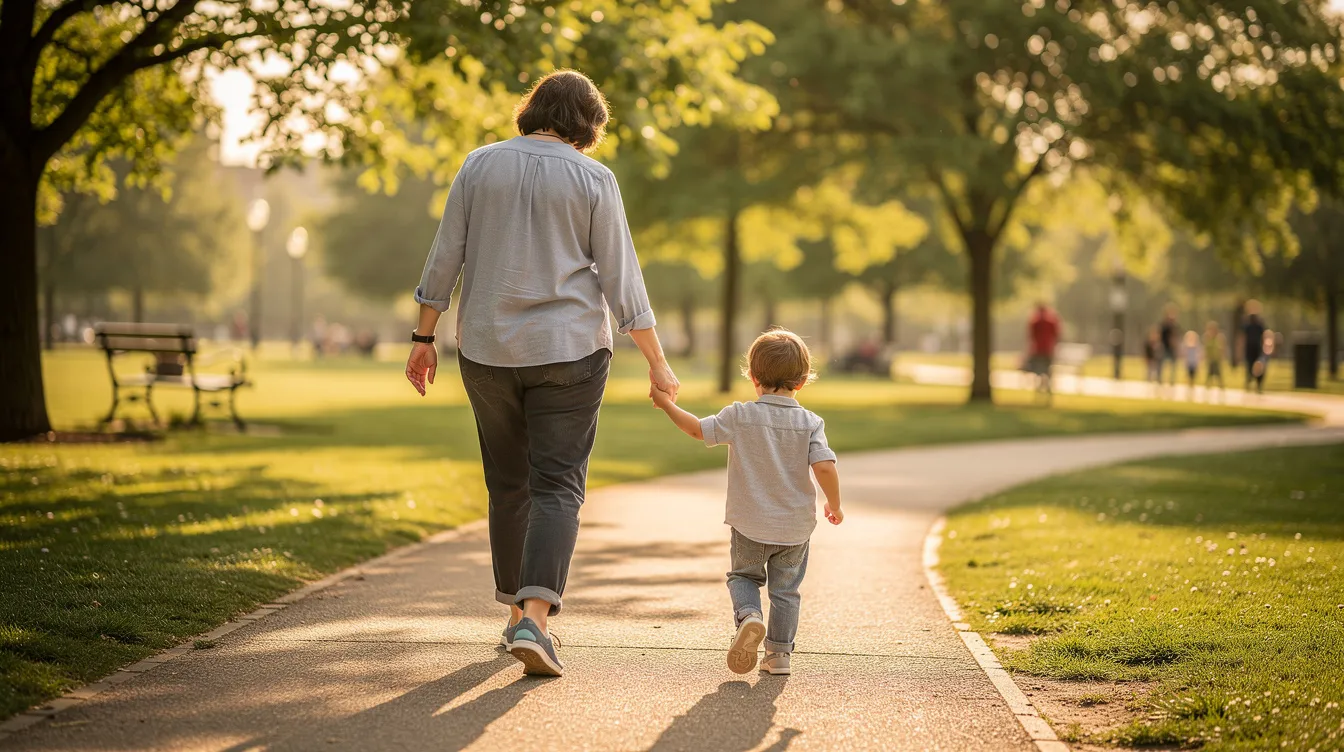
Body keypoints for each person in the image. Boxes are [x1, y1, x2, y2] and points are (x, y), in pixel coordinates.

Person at [404, 69, 679, 677]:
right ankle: (535, 619)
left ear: (533, 109)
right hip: (571, 352)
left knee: (508, 485)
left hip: (487, 351)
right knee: (557, 486)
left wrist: (423, 337)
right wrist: (657, 362)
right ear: (588, 123)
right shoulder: (594, 178)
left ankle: (515, 619)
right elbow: (621, 278)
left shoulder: (479, 165)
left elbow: (445, 253)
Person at [648, 329, 841, 677]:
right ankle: (779, 655)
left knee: (742, 576)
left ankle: (750, 615)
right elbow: (825, 466)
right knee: (786, 591)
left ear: (752, 376)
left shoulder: (739, 415)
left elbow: (697, 430)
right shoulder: (811, 422)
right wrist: (835, 504)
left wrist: (666, 405)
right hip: (795, 529)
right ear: (801, 381)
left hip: (749, 523)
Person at [1026, 303, 1060, 399]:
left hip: (1038, 350)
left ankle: (1039, 388)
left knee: (1038, 370)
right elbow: (1056, 334)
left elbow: (1031, 336)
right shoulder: (1051, 321)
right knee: (1047, 370)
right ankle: (1047, 387)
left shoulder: (1035, 321)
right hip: (1048, 350)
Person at [1241, 300, 1268, 393]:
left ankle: (1258, 385)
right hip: (1249, 349)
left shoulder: (1260, 324)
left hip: (1257, 348)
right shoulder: (1246, 324)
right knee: (1249, 367)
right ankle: (1248, 383)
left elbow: (1264, 336)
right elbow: (1242, 338)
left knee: (1259, 367)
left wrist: (1265, 349)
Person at [1159, 305, 1180, 386]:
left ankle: (1172, 380)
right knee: (1161, 364)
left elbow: (1177, 337)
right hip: (1165, 347)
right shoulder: (1164, 326)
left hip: (1172, 349)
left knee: (1173, 365)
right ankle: (1160, 379)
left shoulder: (1175, 326)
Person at [1203, 321, 1226, 392]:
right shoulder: (1208, 338)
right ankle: (1207, 387)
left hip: (1217, 359)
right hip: (1211, 359)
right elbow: (1206, 348)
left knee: (1219, 374)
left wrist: (1222, 356)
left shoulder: (1219, 338)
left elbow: (1221, 348)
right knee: (1209, 374)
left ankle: (1221, 386)